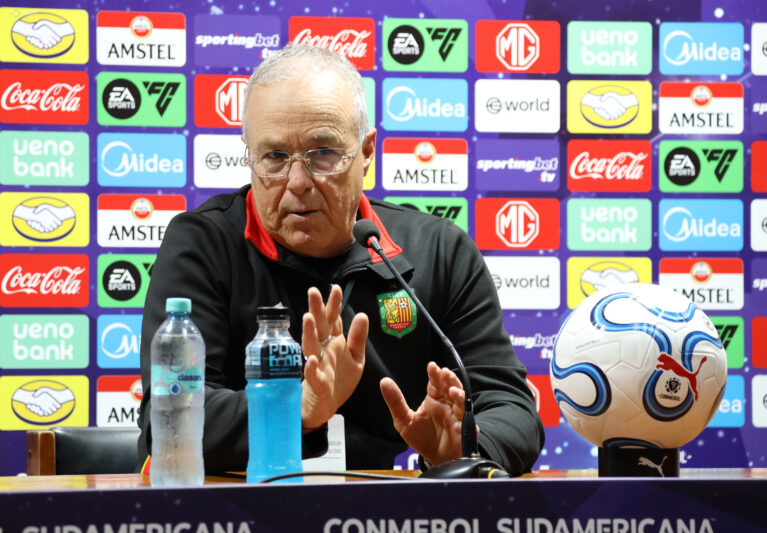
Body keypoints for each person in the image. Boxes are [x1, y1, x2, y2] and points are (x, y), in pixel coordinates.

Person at [136, 44, 544, 475]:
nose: (297, 182)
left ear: (367, 152)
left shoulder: (440, 253)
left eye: (322, 154)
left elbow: (512, 408)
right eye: (274, 157)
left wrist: (464, 450)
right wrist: (299, 411)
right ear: (249, 154)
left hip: (384, 522)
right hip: (239, 520)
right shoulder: (203, 244)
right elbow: (171, 418)